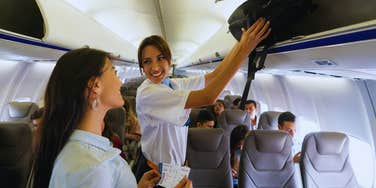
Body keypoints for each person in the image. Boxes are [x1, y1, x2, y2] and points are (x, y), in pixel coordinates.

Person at [32, 48, 191, 188]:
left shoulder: (88, 153)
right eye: (114, 72)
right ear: (95, 86)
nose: (120, 82)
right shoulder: (91, 167)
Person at [134, 18, 270, 179]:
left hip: (175, 170)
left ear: (169, 60)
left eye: (161, 58)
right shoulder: (148, 92)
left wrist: (241, 43)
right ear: (142, 67)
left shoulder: (173, 84)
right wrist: (245, 51)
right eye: (147, 62)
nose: (155, 67)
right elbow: (209, 96)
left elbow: (213, 76)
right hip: (155, 173)